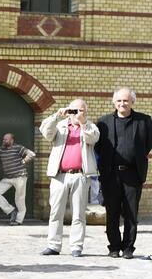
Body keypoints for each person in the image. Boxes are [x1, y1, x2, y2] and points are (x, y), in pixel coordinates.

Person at [95, 88, 152, 259]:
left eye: (126, 100)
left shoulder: (144, 121)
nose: (122, 104)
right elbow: (99, 147)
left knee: (130, 213)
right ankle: (113, 247)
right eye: (119, 101)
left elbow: (148, 144)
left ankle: (128, 248)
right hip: (110, 174)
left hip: (133, 174)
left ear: (132, 102)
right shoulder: (103, 122)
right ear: (114, 102)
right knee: (112, 213)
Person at [39, 99, 100, 257]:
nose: (77, 113)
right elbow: (45, 132)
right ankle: (53, 245)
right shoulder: (61, 126)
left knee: (79, 214)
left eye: (81, 110)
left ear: (86, 112)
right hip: (59, 175)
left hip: (80, 175)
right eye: (73, 110)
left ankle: (76, 246)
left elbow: (93, 138)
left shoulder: (90, 126)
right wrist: (56, 116)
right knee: (55, 212)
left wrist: (83, 123)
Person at [0, 133, 36, 225]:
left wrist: (24, 161)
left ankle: (18, 220)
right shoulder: (1, 149)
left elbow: (32, 154)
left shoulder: (18, 148)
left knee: (19, 199)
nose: (4, 141)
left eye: (6, 139)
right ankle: (11, 211)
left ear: (12, 140)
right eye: (3, 139)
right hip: (8, 178)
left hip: (20, 177)